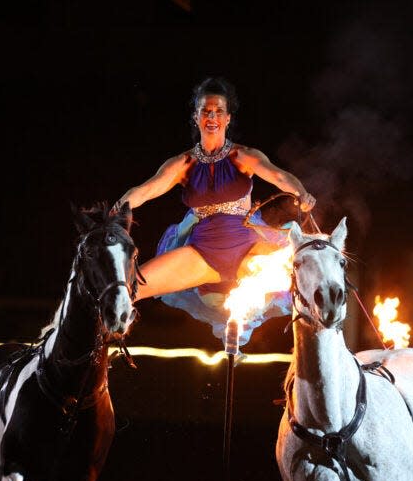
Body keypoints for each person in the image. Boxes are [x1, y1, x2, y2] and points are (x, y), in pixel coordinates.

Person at [114, 77, 316, 344]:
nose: (212, 116)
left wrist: (300, 193)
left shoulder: (243, 156)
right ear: (196, 117)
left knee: (312, 280)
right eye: (205, 111)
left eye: (219, 111)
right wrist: (119, 206)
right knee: (129, 288)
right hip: (202, 254)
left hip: (248, 250)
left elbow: (280, 177)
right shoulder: (183, 163)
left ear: (228, 118)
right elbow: (148, 189)